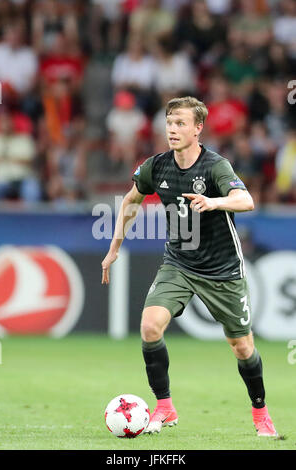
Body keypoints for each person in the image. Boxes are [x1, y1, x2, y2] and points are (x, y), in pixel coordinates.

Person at [101, 96, 278, 437]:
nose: (172, 129)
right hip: (179, 263)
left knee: (242, 347)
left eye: (181, 123)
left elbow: (247, 200)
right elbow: (130, 201)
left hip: (222, 269)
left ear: (198, 129)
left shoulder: (215, 166)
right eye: (169, 123)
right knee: (150, 326)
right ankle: (165, 408)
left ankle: (261, 415)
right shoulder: (157, 166)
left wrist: (214, 201)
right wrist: (113, 250)